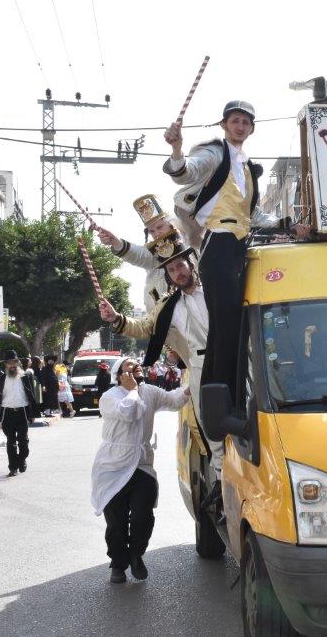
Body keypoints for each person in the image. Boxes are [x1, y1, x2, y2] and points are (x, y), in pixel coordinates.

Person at [163, 101, 310, 402]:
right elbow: (185, 173)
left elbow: (253, 216)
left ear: (252, 128)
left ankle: (221, 396)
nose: (240, 126)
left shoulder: (246, 167)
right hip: (218, 243)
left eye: (245, 122)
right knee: (227, 326)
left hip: (238, 246)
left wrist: (289, 225)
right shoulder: (214, 152)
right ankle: (223, 400)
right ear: (224, 125)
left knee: (232, 324)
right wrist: (177, 148)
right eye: (235, 121)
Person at [98, 239, 226, 499]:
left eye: (180, 265)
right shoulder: (168, 305)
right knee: (208, 419)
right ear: (167, 275)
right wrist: (116, 318)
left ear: (191, 264)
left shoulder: (215, 288)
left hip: (231, 355)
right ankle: (222, 478)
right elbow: (144, 327)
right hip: (201, 365)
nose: (178, 272)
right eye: (171, 270)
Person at [91, 357, 189, 583]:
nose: (135, 365)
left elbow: (173, 400)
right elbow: (128, 412)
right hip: (113, 466)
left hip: (141, 465)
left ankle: (136, 553)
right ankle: (118, 563)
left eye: (136, 363)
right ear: (118, 375)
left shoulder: (150, 391)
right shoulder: (109, 397)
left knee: (143, 516)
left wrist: (190, 387)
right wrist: (132, 390)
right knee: (116, 522)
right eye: (128, 365)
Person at [95, 197, 192, 364]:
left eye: (160, 227)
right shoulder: (156, 258)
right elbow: (147, 326)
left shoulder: (194, 247)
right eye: (152, 231)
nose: (157, 234)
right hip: (175, 335)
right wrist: (115, 242)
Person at [0, 351, 40, 477]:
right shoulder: (0, 380)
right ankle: (13, 468)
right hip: (7, 414)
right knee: (11, 442)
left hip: (22, 413)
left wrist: (32, 413)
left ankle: (21, 459)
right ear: (5, 365)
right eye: (9, 363)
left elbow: (31, 396)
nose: (12, 365)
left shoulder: (25, 377)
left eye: (14, 362)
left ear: (18, 363)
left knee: (23, 442)